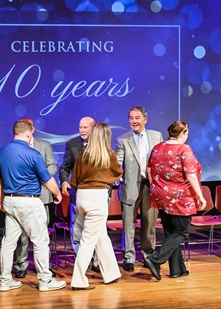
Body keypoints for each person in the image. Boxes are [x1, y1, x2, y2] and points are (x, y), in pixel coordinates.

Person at [0, 120, 66, 292]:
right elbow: (47, 179)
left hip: (10, 201)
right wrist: (57, 193)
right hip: (29, 201)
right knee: (40, 241)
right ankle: (45, 281)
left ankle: (5, 280)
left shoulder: (2, 151)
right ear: (28, 134)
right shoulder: (32, 153)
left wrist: (0, 199)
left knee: (8, 243)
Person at [143, 120, 206, 281]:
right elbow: (191, 174)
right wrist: (200, 195)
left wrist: (155, 186)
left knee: (171, 232)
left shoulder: (157, 148)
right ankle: (155, 259)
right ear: (183, 133)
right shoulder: (183, 149)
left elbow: (149, 169)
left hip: (161, 195)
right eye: (187, 133)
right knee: (181, 231)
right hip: (179, 197)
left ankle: (177, 269)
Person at [70, 123, 123, 290]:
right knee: (88, 240)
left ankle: (111, 273)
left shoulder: (83, 153)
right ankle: (78, 280)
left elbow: (75, 178)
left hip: (82, 196)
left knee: (100, 235)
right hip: (97, 198)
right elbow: (117, 172)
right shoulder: (108, 155)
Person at [115, 106, 163, 271]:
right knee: (128, 224)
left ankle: (148, 255)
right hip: (130, 187)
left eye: (137, 118)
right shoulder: (123, 140)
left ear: (145, 119)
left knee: (149, 223)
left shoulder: (156, 136)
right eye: (131, 118)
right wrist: (116, 174)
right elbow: (117, 161)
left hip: (150, 187)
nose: (133, 121)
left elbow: (161, 160)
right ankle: (128, 256)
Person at [13, 117, 57, 278]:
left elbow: (52, 165)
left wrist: (41, 176)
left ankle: (44, 266)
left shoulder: (44, 145)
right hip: (24, 197)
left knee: (42, 235)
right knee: (23, 235)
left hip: (42, 196)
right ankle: (20, 265)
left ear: (33, 129)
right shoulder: (15, 147)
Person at [59, 116, 100, 272]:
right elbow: (65, 168)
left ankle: (96, 261)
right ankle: (82, 262)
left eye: (85, 127)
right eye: (80, 127)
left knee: (96, 231)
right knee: (77, 230)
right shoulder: (72, 145)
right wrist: (64, 181)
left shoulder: (100, 144)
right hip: (78, 195)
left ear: (93, 128)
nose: (81, 130)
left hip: (97, 195)